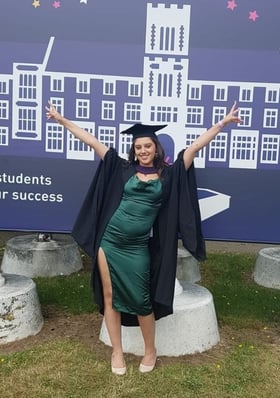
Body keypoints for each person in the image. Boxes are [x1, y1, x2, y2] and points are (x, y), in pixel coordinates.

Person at [45, 101, 242, 375]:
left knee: (141, 300)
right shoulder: (121, 168)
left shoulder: (169, 174)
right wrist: (61, 119)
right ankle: (117, 351)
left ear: (156, 148)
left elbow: (195, 147)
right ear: (134, 150)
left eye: (147, 146)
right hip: (110, 242)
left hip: (137, 247)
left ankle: (151, 350)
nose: (143, 151)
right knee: (110, 295)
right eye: (138, 147)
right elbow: (91, 141)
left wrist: (222, 124)